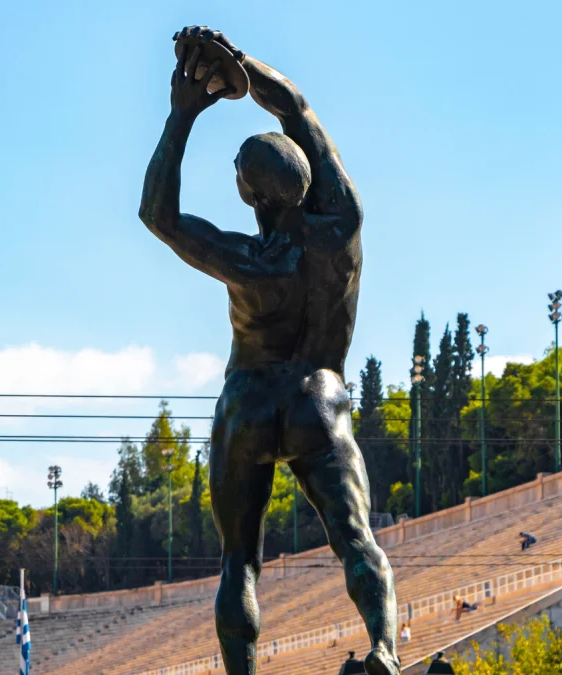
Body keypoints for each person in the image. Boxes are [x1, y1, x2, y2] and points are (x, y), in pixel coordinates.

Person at [140, 25, 398, 675]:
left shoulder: (250, 263)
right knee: (356, 537)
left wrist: (182, 116)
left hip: (251, 400)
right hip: (320, 395)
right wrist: (243, 68)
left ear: (249, 192)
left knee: (240, 560)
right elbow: (298, 108)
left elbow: (158, 214)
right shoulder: (342, 226)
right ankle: (383, 648)